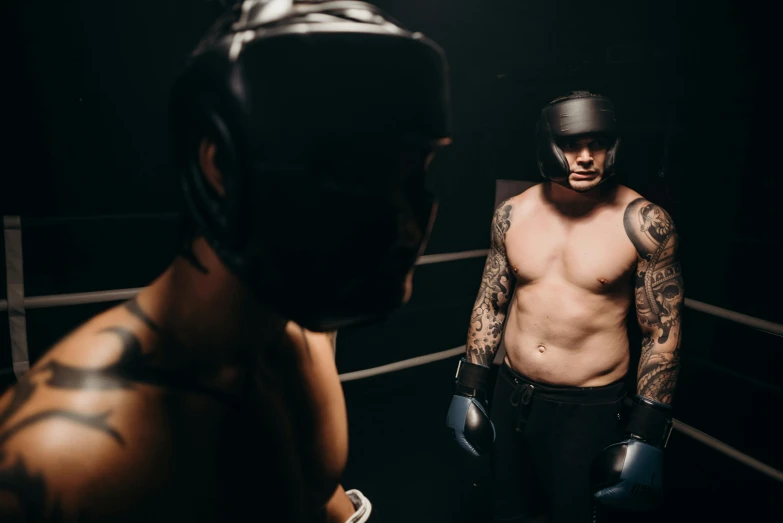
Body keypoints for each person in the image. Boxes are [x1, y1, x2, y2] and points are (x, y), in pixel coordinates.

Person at [0, 1, 451, 521]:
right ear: (222, 165)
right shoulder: (63, 456)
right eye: (359, 170)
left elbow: (308, 495)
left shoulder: (303, 331)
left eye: (414, 173)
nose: (402, 220)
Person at [446, 91, 684, 522]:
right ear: (548, 147)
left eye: (598, 145)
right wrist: (470, 386)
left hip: (588, 410)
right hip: (511, 393)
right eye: (572, 145)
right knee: (505, 510)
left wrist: (648, 431)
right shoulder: (513, 214)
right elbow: (491, 302)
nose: (587, 158)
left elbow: (661, 332)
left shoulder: (645, 223)